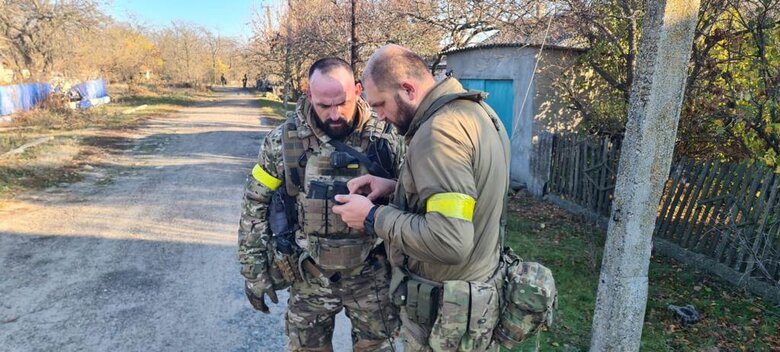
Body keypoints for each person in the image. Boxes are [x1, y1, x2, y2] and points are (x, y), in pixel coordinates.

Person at [332, 44, 511, 351]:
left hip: (446, 319)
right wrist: (394, 187)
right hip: (473, 304)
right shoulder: (477, 112)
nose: (380, 116)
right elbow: (467, 197)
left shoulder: (439, 132)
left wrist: (372, 216)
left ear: (408, 89)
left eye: (380, 104)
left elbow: (450, 240)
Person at [238, 57, 401, 352]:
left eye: (342, 103)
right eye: (324, 106)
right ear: (309, 95)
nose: (335, 114)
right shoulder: (283, 141)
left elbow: (414, 201)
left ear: (358, 90)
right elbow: (255, 204)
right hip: (309, 276)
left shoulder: (388, 136)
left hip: (372, 276)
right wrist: (254, 272)